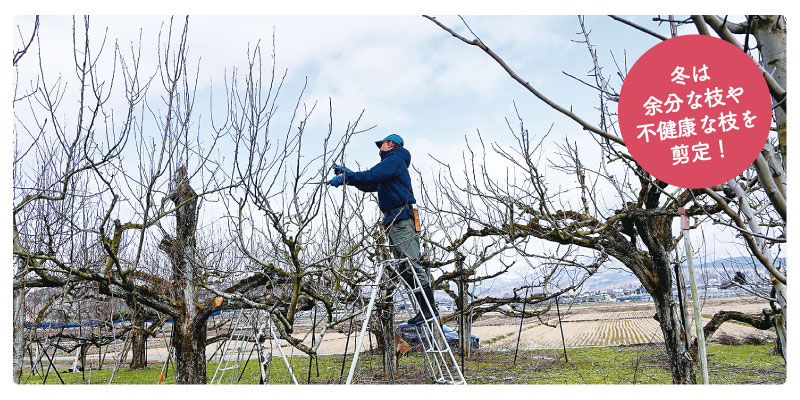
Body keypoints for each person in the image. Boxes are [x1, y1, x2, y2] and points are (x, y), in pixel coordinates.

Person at [326, 134, 438, 325]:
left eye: (382, 144)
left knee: (411, 263)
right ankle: (425, 309)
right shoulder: (391, 166)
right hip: (395, 221)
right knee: (404, 268)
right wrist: (349, 177)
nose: (380, 148)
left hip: (402, 219)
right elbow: (370, 183)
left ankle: (429, 310)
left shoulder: (394, 159)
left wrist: (347, 177)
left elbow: (372, 175)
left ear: (390, 144)